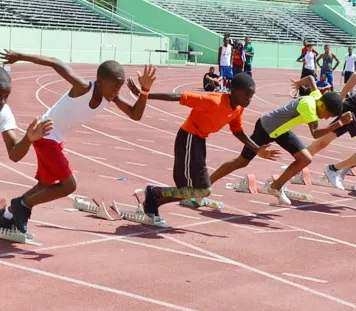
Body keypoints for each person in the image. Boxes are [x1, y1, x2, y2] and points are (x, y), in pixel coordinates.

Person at [0, 50, 156, 234]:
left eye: (119, 88)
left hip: (55, 139)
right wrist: (21, 56)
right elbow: (55, 61)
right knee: (69, 185)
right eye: (113, 87)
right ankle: (22, 204)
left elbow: (135, 114)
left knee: (45, 186)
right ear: (100, 82)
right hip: (45, 134)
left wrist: (145, 91)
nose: (116, 92)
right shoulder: (83, 87)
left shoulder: (110, 97)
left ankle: (8, 215)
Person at [127, 73, 281, 221]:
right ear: (233, 91)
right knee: (187, 188)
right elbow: (178, 96)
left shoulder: (238, 108)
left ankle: (154, 198)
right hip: (188, 138)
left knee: (203, 190)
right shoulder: (214, 101)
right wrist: (144, 94)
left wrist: (257, 150)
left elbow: (238, 131)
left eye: (252, 95)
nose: (249, 99)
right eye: (246, 95)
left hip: (199, 142)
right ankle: (154, 193)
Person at [208, 75, 351, 205]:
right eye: (328, 115)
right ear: (323, 106)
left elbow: (311, 79)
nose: (326, 118)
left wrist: (299, 83)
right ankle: (205, 184)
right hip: (265, 128)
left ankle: (275, 187)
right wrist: (339, 124)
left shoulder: (317, 97)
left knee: (305, 158)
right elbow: (315, 133)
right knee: (241, 162)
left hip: (281, 131)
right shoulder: (309, 106)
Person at [307, 72, 356, 190]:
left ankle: (293, 167)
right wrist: (340, 99)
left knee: (322, 142)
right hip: (352, 113)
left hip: (351, 112)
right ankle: (332, 169)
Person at [0, 66, 53, 164]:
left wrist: (28, 139)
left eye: (6, 96)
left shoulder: (3, 112)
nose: (3, 101)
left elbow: (14, 155)